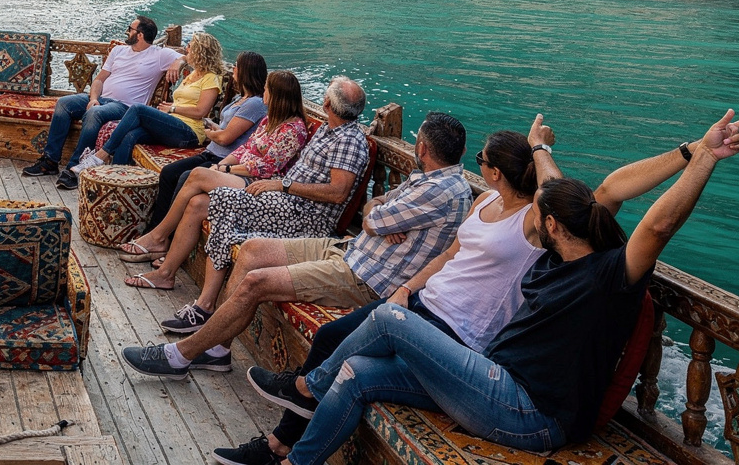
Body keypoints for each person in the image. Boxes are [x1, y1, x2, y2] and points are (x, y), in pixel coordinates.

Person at [239, 109, 739, 465]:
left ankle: (306, 385)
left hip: (530, 413)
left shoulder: (610, 274)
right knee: (355, 375)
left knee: (390, 316)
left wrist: (707, 161)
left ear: (551, 225)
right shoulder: (557, 250)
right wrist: (688, 149)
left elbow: (659, 225)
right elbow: (609, 187)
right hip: (493, 380)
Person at [213, 126, 549, 465]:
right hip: (423, 303)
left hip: (458, 335)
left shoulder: (534, 220)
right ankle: (282, 448)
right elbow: (447, 256)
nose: (478, 165)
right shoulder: (485, 199)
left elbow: (557, 196)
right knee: (334, 340)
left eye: (482, 159)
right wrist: (405, 289)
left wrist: (539, 148)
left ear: (495, 172)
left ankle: (303, 390)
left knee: (379, 329)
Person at [121, 111, 471, 379]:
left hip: (366, 277)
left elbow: (373, 218)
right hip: (350, 249)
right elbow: (375, 207)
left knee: (257, 280)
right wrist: (377, 212)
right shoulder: (426, 177)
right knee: (254, 249)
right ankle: (218, 349)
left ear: (422, 149)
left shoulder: (440, 190)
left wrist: (377, 216)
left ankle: (180, 356)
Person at [116, 69, 315, 288]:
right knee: (196, 203)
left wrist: (227, 171)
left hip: (262, 185)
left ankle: (158, 236)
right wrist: (222, 165)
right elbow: (244, 149)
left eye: (267, 89)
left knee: (198, 174)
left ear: (277, 95)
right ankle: (166, 273)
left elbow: (266, 168)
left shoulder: (293, 129)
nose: (264, 93)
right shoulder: (270, 120)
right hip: (244, 173)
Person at [125, 51, 271, 243]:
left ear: (246, 71)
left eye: (237, 65)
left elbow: (226, 138)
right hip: (211, 152)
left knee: (183, 177)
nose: (233, 68)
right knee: (169, 172)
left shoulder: (255, 104)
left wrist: (210, 133)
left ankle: (165, 238)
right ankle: (155, 231)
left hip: (224, 159)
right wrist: (214, 129)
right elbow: (226, 130)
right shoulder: (240, 99)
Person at [22, 15, 183, 189]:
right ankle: (50, 161)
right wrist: (93, 99)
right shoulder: (118, 51)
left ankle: (76, 169)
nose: (126, 31)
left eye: (130, 29)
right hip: (101, 99)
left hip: (126, 107)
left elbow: (188, 55)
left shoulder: (159, 55)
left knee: (94, 113)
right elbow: (99, 80)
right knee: (64, 103)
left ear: (140, 35)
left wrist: (178, 63)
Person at [101, 33, 241, 164]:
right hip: (174, 123)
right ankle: (116, 177)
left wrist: (172, 108)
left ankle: (101, 154)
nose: (186, 49)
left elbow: (201, 112)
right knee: (132, 135)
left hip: (189, 132)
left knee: (138, 109)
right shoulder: (194, 74)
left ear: (199, 52)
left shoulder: (211, 78)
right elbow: (186, 101)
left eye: (190, 47)